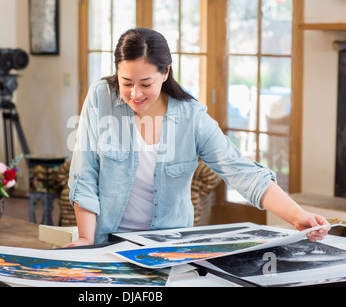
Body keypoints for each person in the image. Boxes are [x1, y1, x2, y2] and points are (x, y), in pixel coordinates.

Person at [65, 28, 330, 247]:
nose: (135, 94)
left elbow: (242, 172)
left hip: (166, 246)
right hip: (105, 242)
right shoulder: (101, 97)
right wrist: (87, 240)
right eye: (126, 82)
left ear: (166, 72)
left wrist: (298, 215)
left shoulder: (191, 116)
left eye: (146, 84)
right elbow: (84, 173)